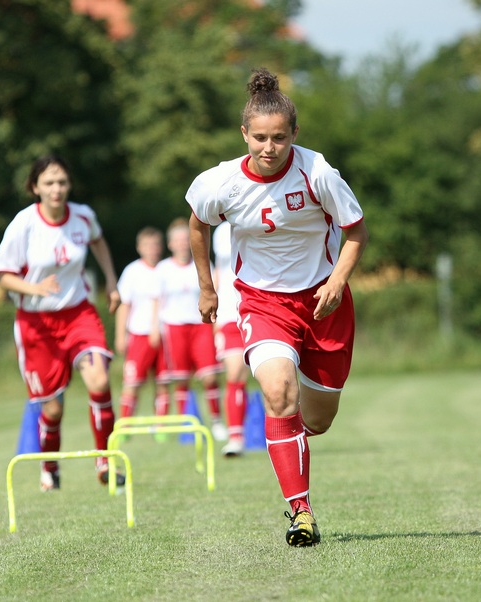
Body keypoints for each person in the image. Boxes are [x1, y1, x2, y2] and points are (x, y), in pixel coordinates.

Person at [186, 68, 369, 547]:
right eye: (260, 138)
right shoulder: (221, 182)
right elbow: (197, 225)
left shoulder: (318, 173)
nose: (269, 149)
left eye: (280, 139)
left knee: (318, 420)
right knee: (278, 392)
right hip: (262, 303)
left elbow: (356, 232)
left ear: (295, 135)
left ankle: (295, 436)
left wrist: (337, 281)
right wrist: (208, 288)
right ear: (244, 134)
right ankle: (301, 511)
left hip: (323, 303)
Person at [0, 155, 125, 491]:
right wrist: (33, 288)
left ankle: (104, 461)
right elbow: (4, 277)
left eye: (62, 182)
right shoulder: (24, 224)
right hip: (36, 324)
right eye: (49, 183)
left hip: (78, 313)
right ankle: (49, 467)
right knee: (52, 409)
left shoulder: (83, 216)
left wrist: (111, 281)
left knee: (98, 379)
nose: (57, 189)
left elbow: (98, 242)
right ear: (35, 187)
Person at [155, 218, 228, 442]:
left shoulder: (203, 264)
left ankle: (216, 421)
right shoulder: (163, 269)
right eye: (176, 240)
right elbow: (157, 301)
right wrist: (155, 327)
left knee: (209, 376)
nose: (181, 244)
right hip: (175, 327)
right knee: (181, 378)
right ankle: (186, 421)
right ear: (170, 244)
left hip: (201, 325)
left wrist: (217, 324)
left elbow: (216, 291)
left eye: (185, 239)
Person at [115, 227, 171, 421]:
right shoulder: (132, 271)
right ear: (139, 248)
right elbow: (124, 305)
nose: (152, 249)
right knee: (132, 382)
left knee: (163, 381)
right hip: (140, 333)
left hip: (166, 334)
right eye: (147, 245)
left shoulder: (167, 269)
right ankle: (125, 424)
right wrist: (120, 335)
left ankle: (161, 425)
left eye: (155, 245)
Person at [212, 220, 250, 457]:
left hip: (259, 308)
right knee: (235, 373)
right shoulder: (220, 231)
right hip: (228, 313)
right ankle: (235, 437)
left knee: (274, 380)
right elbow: (218, 270)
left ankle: (281, 432)